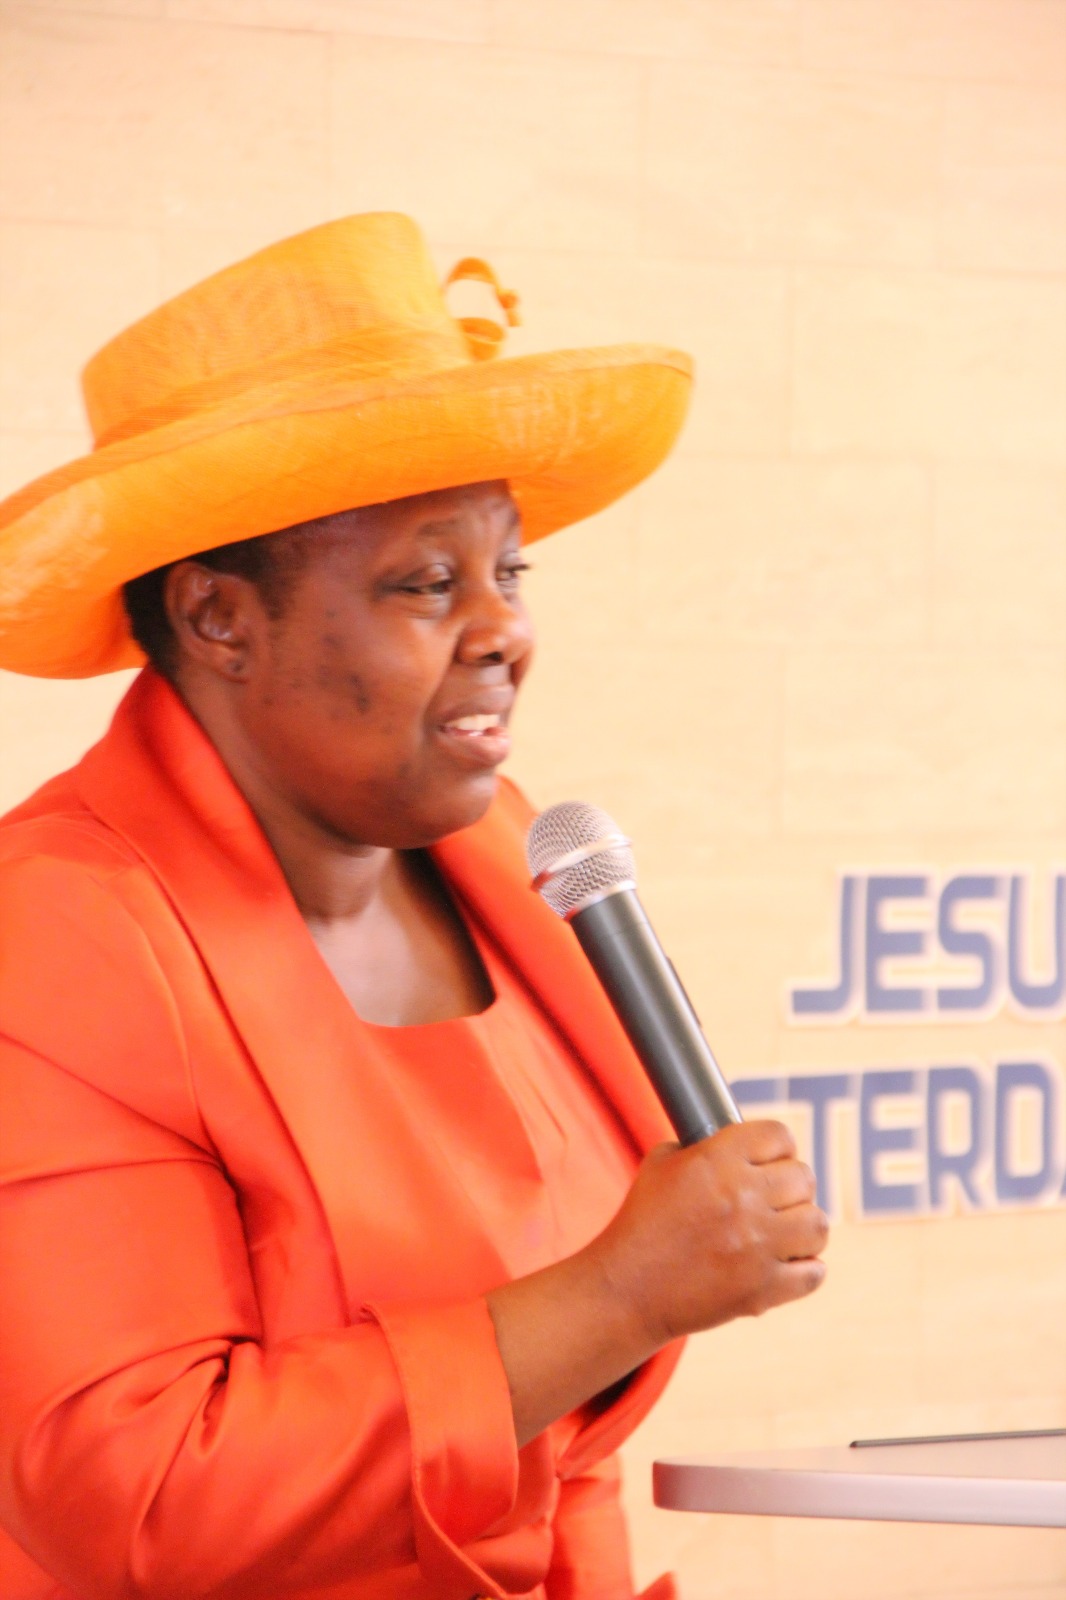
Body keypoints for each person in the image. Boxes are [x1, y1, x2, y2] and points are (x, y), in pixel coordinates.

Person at [0, 213, 828, 1600]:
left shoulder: (505, 853)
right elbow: (136, 1495)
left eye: (510, 570)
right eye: (430, 583)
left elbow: (566, 1455)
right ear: (217, 618)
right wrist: (619, 1292)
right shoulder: (58, 933)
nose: (504, 630)